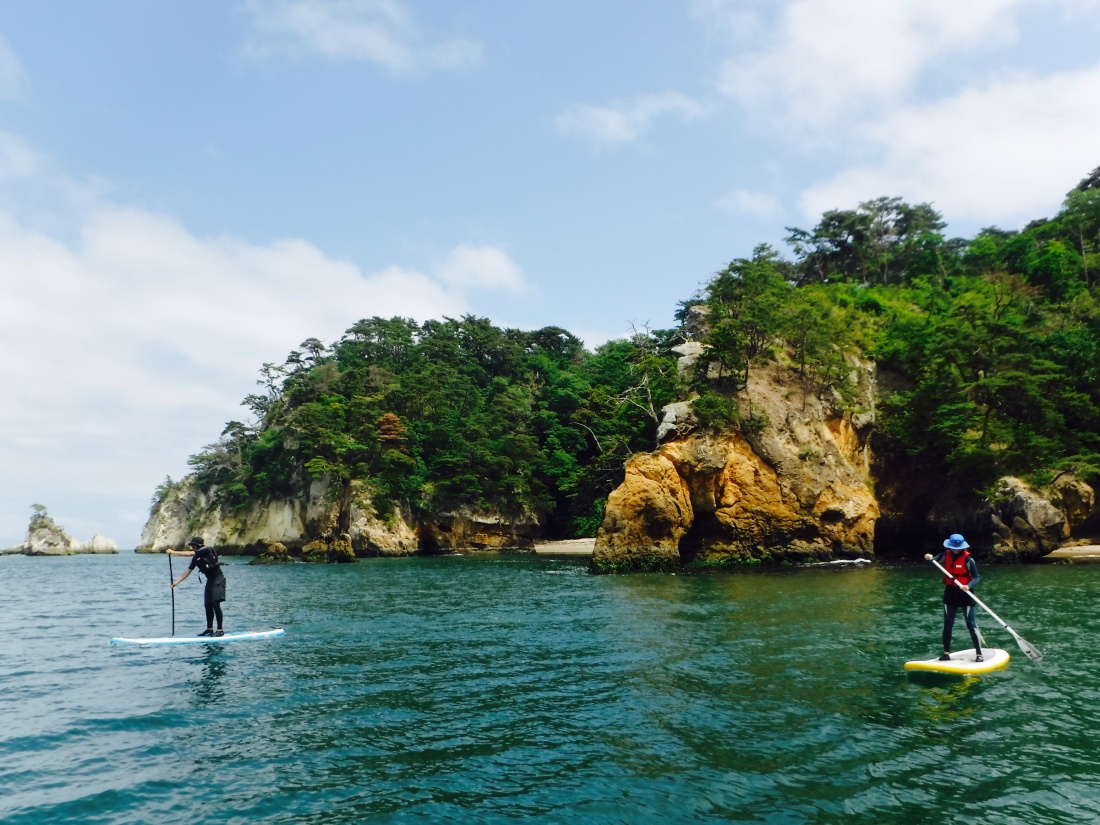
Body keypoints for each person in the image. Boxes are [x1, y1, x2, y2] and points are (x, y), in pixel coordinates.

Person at [925, 533, 983, 662]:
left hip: (965, 594)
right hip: (950, 593)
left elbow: (977, 577)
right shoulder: (946, 555)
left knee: (970, 624)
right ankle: (946, 653)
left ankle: (979, 654)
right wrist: (929, 558)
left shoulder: (968, 560)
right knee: (948, 623)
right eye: (953, 548)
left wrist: (968, 586)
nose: (956, 550)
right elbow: (931, 562)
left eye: (958, 548)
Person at [168, 536, 226, 637]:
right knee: (208, 604)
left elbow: (189, 554)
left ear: (198, 545)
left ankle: (220, 630)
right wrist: (176, 582)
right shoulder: (196, 558)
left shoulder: (206, 549)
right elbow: (188, 571)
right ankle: (209, 629)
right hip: (210, 580)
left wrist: (173, 552)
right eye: (191, 546)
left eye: (193, 546)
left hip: (218, 579)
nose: (192, 548)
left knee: (215, 603)